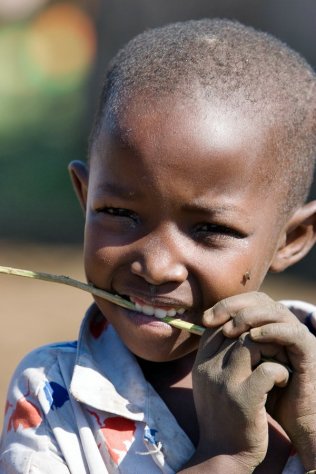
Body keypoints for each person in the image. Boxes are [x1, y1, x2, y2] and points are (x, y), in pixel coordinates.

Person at [1, 18, 316, 473]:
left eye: (210, 229)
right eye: (120, 214)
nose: (157, 266)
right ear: (84, 197)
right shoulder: (52, 398)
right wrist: (224, 456)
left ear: (291, 239)